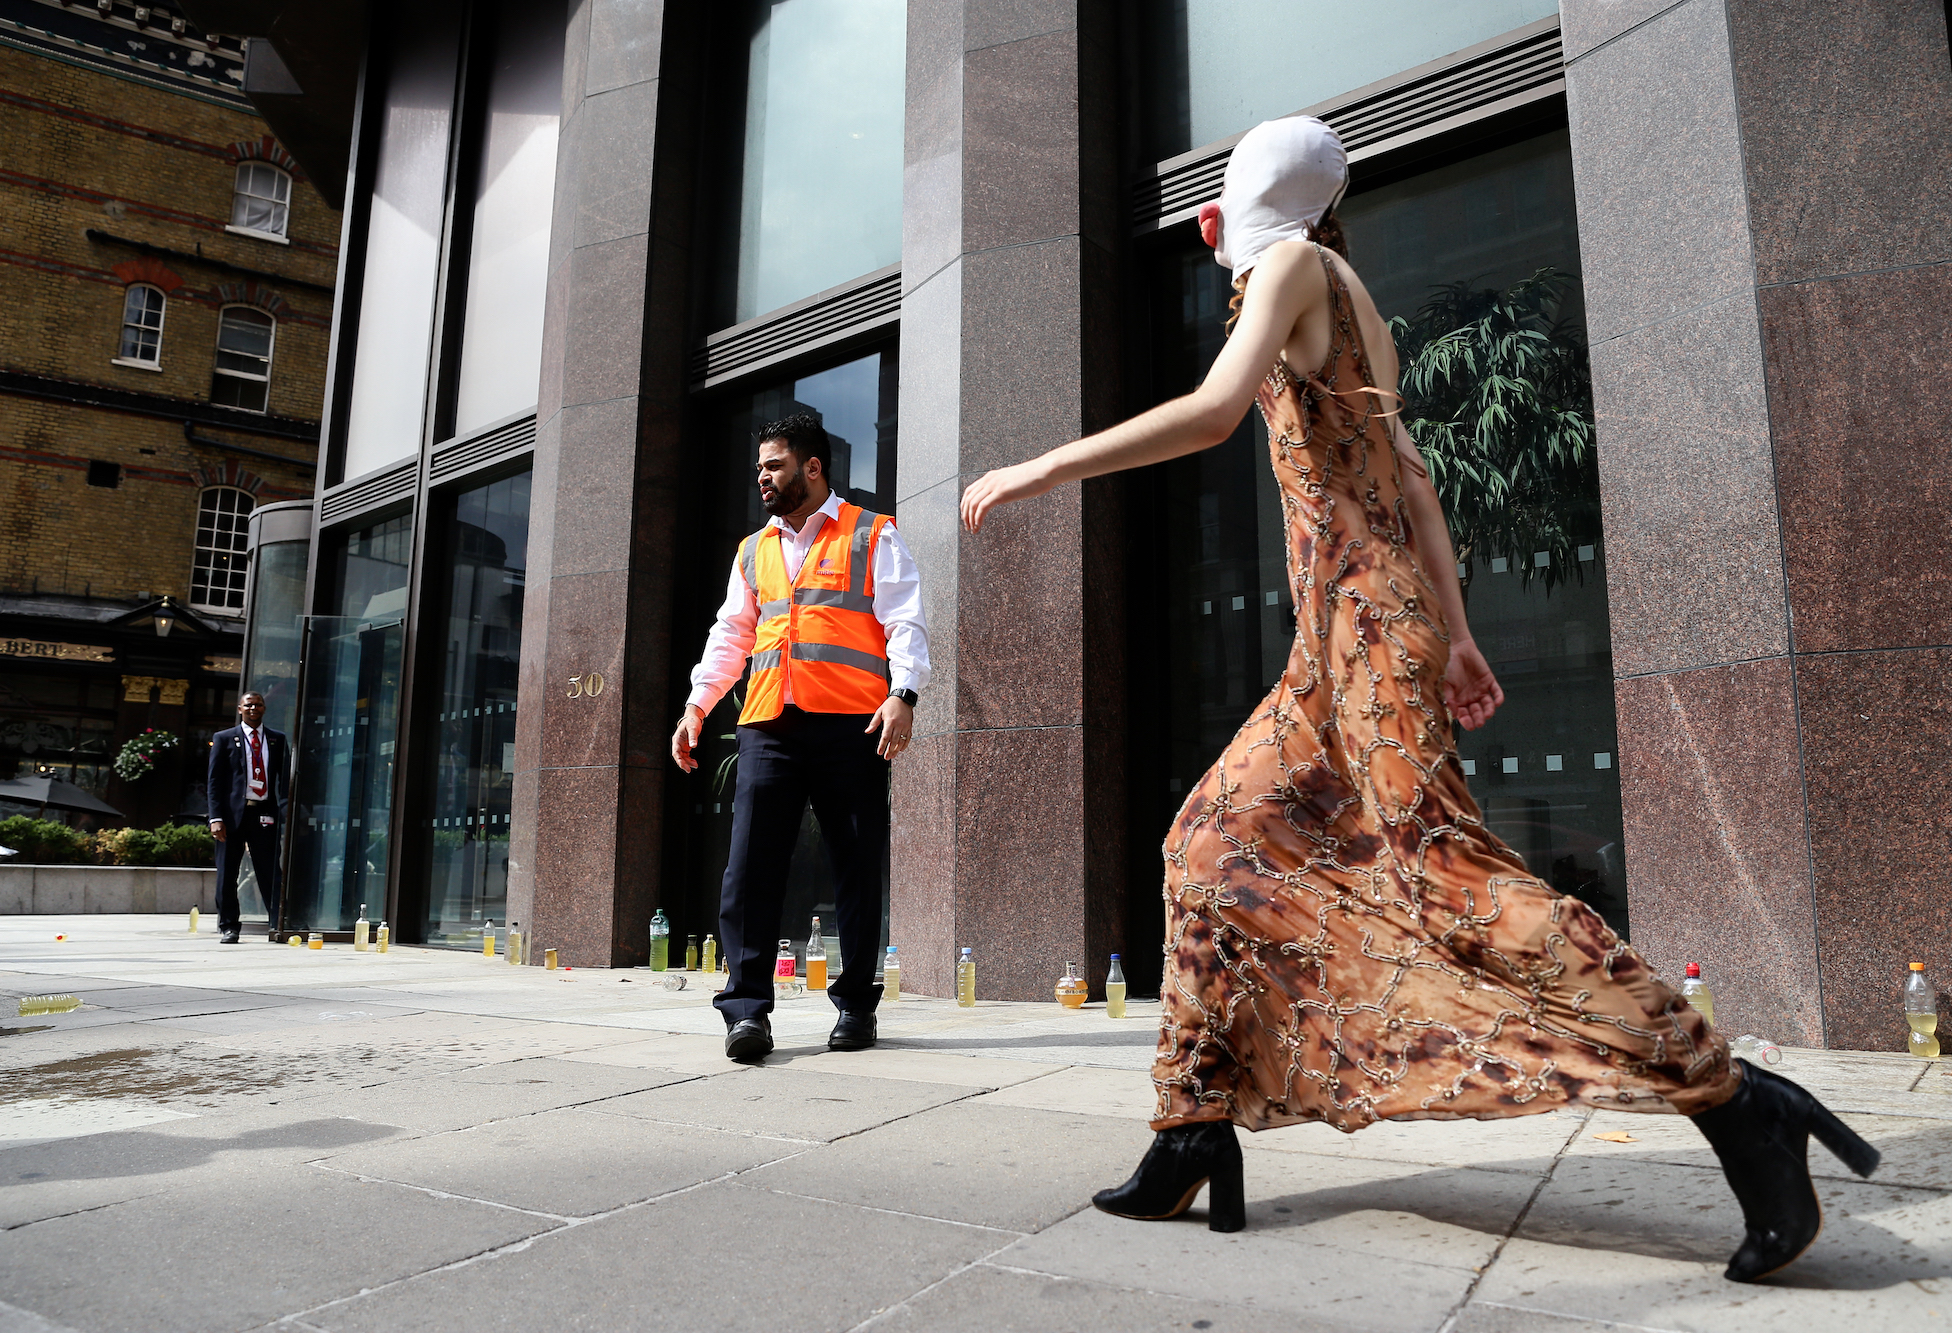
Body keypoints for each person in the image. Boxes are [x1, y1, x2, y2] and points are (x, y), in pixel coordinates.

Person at [959, 117, 1880, 1283]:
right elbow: (1417, 487)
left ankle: (1735, 1096)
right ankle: (1189, 1125)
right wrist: (1453, 633)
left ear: (1226, 218)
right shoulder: (1345, 294)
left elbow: (1209, 410)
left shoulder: (1292, 266)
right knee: (1205, 842)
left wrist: (1038, 467)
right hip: (1345, 640)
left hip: (1361, 638)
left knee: (1448, 883)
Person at [675, 413, 931, 1063]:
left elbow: (904, 620)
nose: (762, 476)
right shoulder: (753, 549)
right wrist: (698, 706)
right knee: (749, 869)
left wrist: (903, 694)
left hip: (853, 723)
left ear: (812, 468)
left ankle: (853, 1007)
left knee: (853, 864)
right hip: (768, 725)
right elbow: (730, 634)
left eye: (774, 465)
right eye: (760, 466)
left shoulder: (871, 532)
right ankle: (747, 1012)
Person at [206, 690, 288, 945]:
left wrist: (284, 814)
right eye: (248, 705)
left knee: (270, 872)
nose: (253, 709)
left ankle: (277, 923)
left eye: (258, 705)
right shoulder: (224, 738)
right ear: (240, 709)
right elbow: (214, 782)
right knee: (227, 873)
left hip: (263, 813)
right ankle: (229, 926)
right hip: (231, 817)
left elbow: (283, 782)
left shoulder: (276, 739)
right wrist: (215, 817)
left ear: (264, 709)